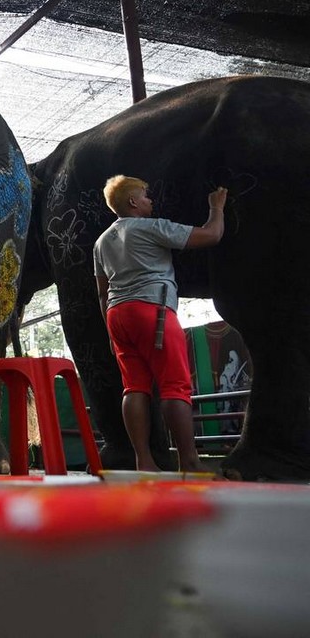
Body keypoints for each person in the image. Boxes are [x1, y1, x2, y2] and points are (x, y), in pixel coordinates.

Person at [93, 175, 227, 473]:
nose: (150, 200)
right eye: (145, 195)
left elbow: (102, 293)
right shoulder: (151, 228)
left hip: (117, 315)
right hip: (152, 311)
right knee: (174, 386)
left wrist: (112, 335)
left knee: (134, 387)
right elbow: (211, 235)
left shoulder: (102, 242)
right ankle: (190, 461)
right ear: (132, 202)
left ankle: (144, 460)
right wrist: (216, 207)